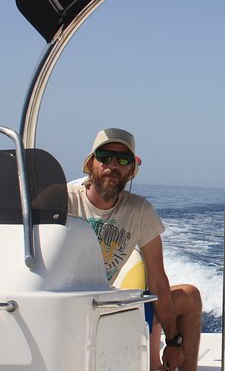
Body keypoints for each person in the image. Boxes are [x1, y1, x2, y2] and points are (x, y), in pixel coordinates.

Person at [68, 128, 202, 371]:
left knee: (189, 296)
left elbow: (158, 280)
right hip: (68, 307)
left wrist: (173, 341)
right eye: (105, 156)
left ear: (131, 171)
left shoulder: (140, 211)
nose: (113, 165)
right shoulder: (63, 201)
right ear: (91, 163)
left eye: (123, 160)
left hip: (111, 304)